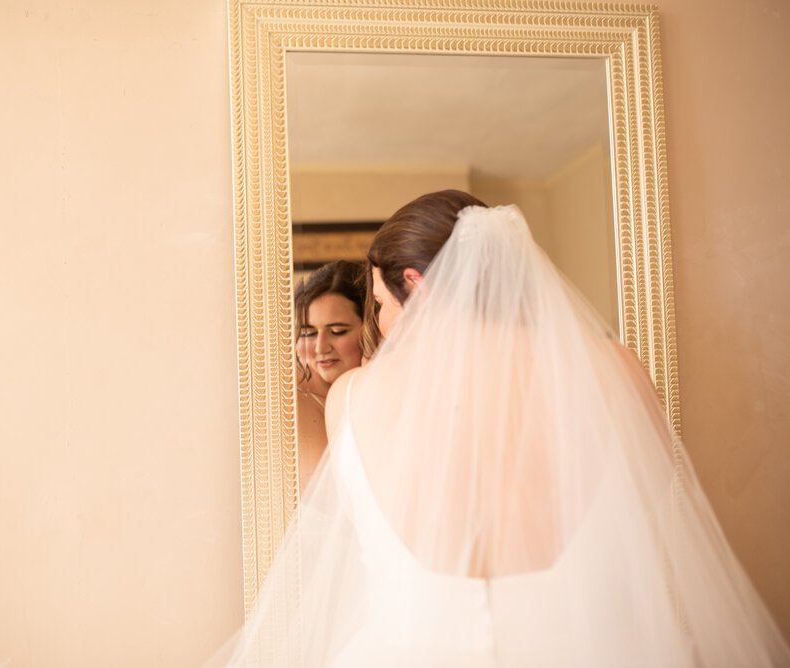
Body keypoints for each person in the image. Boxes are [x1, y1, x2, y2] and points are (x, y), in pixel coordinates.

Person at [211, 191, 790, 667]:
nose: (381, 327)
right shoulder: (612, 369)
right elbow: (646, 499)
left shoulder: (354, 398)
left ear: (419, 283)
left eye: (382, 305)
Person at [293, 260, 365, 490]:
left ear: (369, 328)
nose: (320, 347)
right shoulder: (296, 405)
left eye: (337, 332)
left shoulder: (379, 392)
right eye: (308, 333)